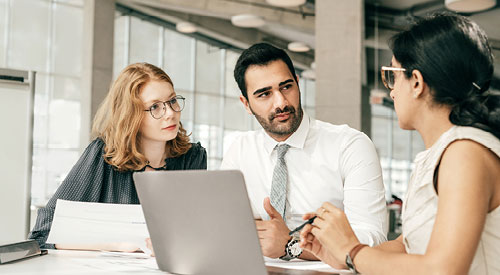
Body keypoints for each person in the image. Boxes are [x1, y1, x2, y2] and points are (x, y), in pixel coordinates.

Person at [299, 13, 500, 274]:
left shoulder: (465, 154)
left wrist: (353, 250)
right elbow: (408, 246)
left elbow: (442, 270)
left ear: (416, 82)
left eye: (393, 76)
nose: (391, 91)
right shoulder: (442, 152)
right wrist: (338, 252)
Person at [221, 43, 387, 260]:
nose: (280, 102)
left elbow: (372, 240)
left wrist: (292, 245)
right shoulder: (240, 150)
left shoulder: (350, 145)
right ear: (246, 104)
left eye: (286, 87)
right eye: (264, 94)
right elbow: (224, 227)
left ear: (298, 84)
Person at [29, 62, 207, 250]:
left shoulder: (192, 157)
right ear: (131, 115)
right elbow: (43, 232)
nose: (170, 113)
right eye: (155, 107)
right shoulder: (104, 155)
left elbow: (198, 229)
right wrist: (120, 244)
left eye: (172, 101)